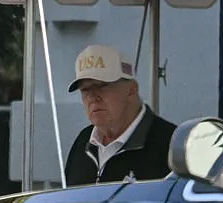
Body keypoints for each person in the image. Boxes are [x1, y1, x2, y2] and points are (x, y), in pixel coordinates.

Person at [65, 44, 177, 185]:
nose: (92, 97)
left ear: (131, 89)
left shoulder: (171, 144)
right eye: (85, 90)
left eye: (101, 86)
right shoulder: (83, 142)